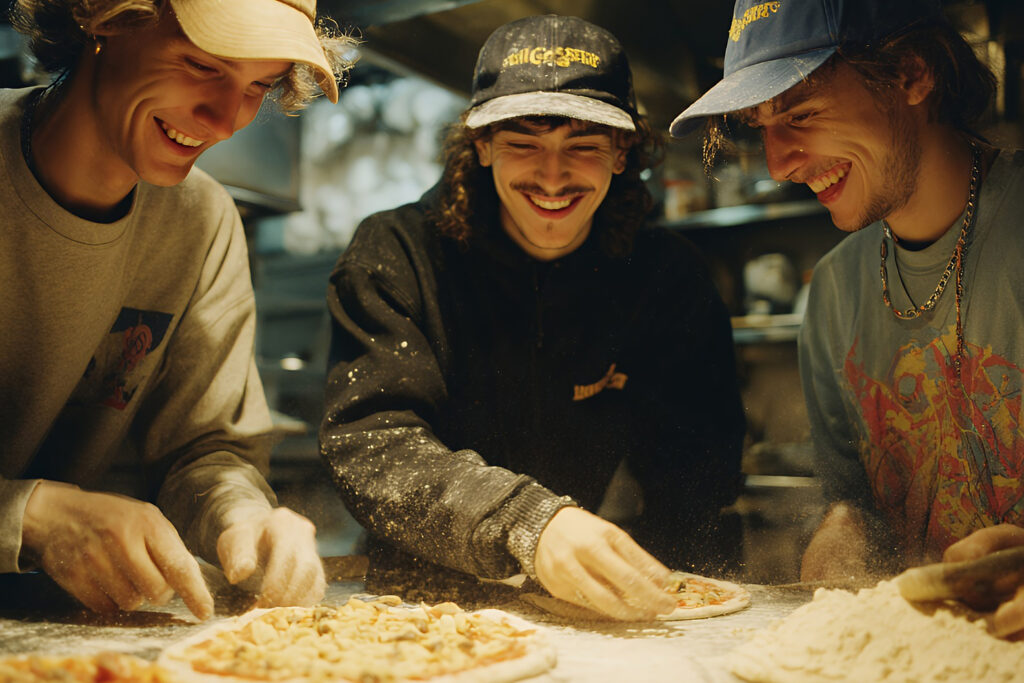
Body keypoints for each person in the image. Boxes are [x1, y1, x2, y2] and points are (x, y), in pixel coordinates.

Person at [320, 14, 747, 621]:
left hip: (589, 607)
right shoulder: (396, 254)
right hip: (417, 607)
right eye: (523, 143)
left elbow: (697, 476)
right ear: (482, 145)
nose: (552, 175)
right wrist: (526, 522)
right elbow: (374, 445)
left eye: (583, 146)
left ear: (622, 152)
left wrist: (677, 598)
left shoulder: (667, 276)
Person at [671, 0, 1024, 637]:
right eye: (759, 126)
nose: (778, 164)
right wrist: (841, 530)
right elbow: (853, 503)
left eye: (801, 114)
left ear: (912, 73)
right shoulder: (834, 290)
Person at [1, 0, 354, 619]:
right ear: (105, 18)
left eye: (258, 86)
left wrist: (241, 516)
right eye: (202, 65)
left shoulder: (202, 220)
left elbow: (205, 449)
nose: (225, 120)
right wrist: (28, 517)